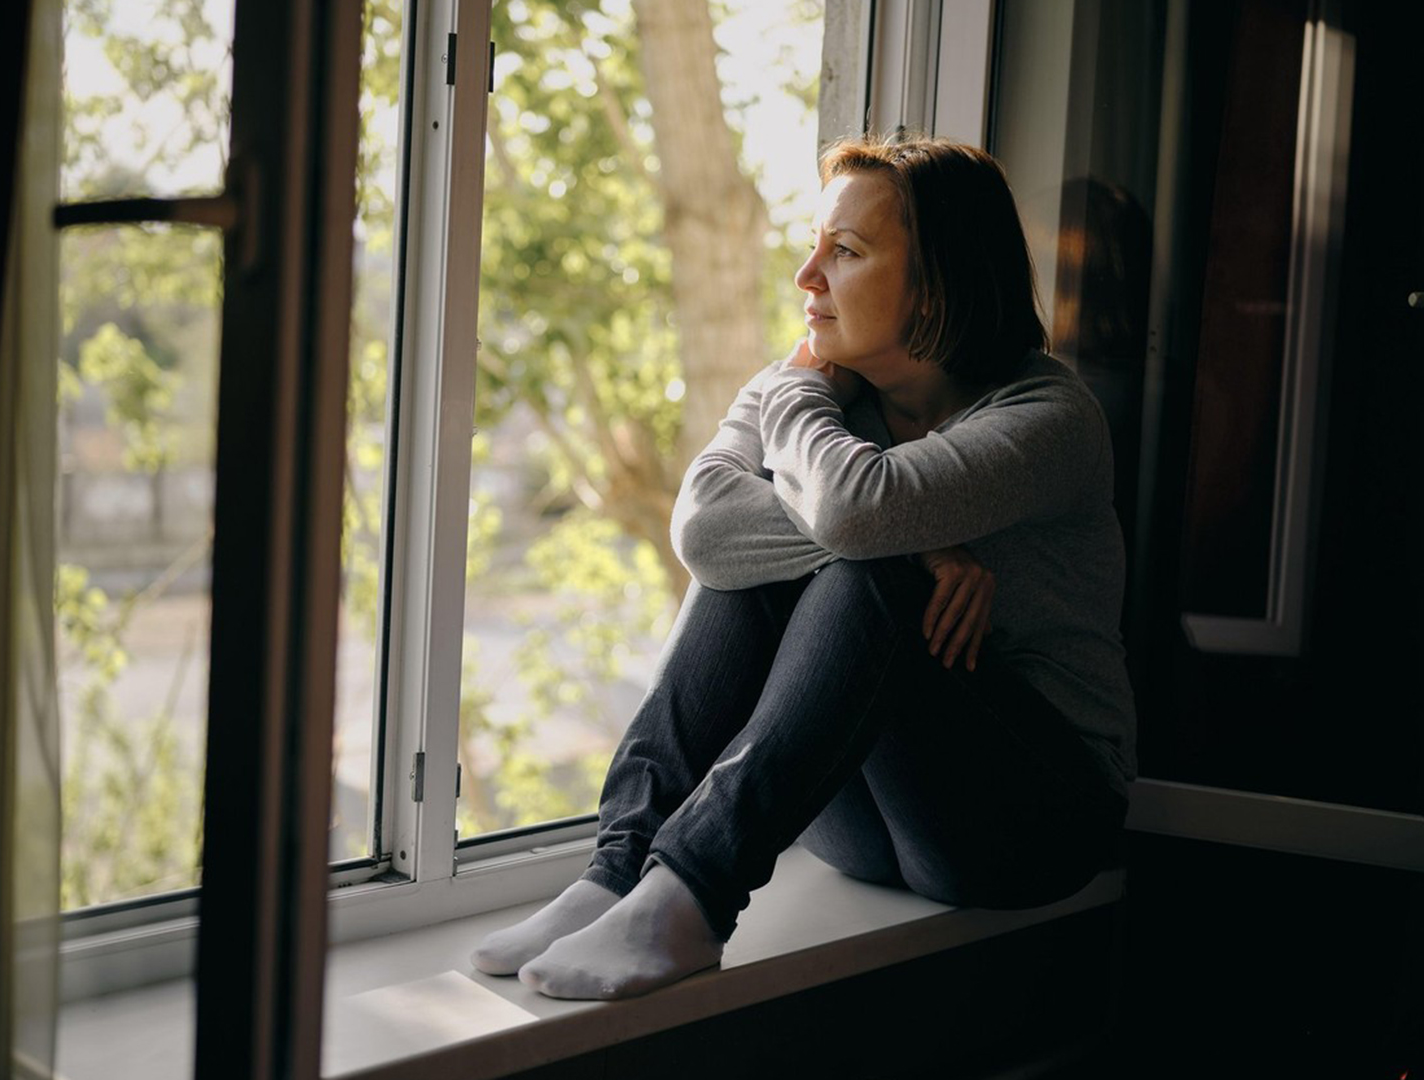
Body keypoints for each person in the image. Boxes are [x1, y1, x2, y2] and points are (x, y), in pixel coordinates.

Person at [468, 133, 1137, 1001]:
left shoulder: (1048, 417)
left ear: (939, 281)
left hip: (1029, 822)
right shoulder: (815, 384)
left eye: (846, 252)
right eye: (814, 245)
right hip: (856, 818)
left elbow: (862, 512)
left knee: (870, 570)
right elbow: (706, 530)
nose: (806, 278)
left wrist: (853, 490)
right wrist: (925, 542)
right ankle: (620, 869)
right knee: (784, 563)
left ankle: (693, 899)